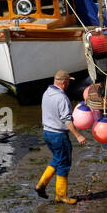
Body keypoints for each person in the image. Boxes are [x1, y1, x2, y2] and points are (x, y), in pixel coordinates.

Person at [35, 71, 86, 204]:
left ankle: (41, 185)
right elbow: (67, 120)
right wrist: (78, 135)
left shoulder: (46, 93)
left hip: (47, 133)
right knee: (64, 163)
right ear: (63, 82)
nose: (69, 84)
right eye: (68, 82)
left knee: (57, 158)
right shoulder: (62, 98)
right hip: (58, 135)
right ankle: (61, 195)